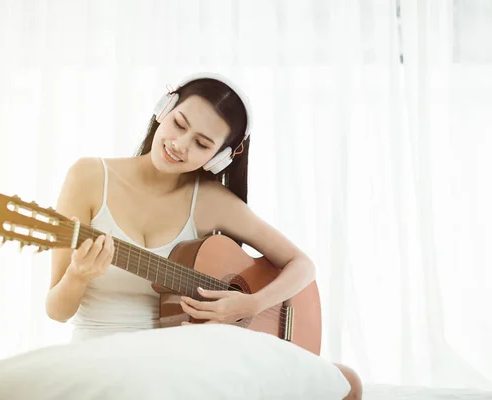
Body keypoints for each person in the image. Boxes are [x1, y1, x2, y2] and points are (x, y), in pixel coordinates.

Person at [44, 72, 362, 399]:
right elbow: (56, 310)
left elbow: (302, 265)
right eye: (179, 124)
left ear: (219, 158)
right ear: (163, 110)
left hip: (187, 362)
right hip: (104, 356)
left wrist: (251, 303)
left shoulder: (211, 201)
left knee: (345, 383)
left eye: (202, 143)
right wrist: (77, 275)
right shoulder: (88, 176)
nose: (179, 145)